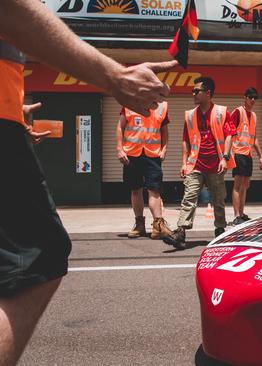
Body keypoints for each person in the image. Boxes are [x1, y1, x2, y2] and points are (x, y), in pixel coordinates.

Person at [0, 1, 175, 364]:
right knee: (38, 259)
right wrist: (114, 76)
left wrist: (17, 114)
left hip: (10, 118)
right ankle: (142, 222)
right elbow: (12, 10)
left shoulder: (163, 110)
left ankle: (155, 222)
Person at [164, 77, 236, 250]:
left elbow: (229, 135)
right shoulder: (190, 115)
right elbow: (185, 140)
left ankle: (220, 229)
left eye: (197, 91)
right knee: (189, 197)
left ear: (208, 93)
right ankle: (180, 232)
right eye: (193, 91)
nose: (193, 93)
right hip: (195, 163)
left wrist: (225, 158)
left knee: (218, 199)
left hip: (216, 164)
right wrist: (183, 163)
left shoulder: (221, 112)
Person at [116, 102, 173, 239]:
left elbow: (164, 130)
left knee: (154, 190)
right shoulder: (130, 103)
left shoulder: (162, 106)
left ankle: (158, 225)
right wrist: (119, 149)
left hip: (152, 155)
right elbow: (120, 127)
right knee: (135, 189)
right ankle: (139, 225)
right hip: (132, 154)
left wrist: (164, 149)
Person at [230, 87, 262, 225]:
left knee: (245, 185)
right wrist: (228, 152)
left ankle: (242, 213)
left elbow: (254, 138)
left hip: (248, 154)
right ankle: (236, 215)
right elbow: (229, 132)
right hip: (238, 152)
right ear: (245, 97)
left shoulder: (254, 115)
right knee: (237, 185)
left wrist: (261, 156)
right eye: (250, 97)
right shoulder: (238, 112)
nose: (253, 100)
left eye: (255, 97)